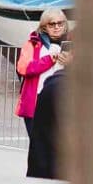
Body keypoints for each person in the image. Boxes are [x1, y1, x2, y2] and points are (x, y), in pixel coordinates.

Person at [16, 8, 70, 137]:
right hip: (36, 101)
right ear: (44, 26)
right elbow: (23, 68)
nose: (56, 27)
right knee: (37, 144)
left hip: (63, 101)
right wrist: (49, 60)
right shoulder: (33, 43)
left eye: (60, 23)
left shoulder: (73, 45)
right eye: (52, 24)